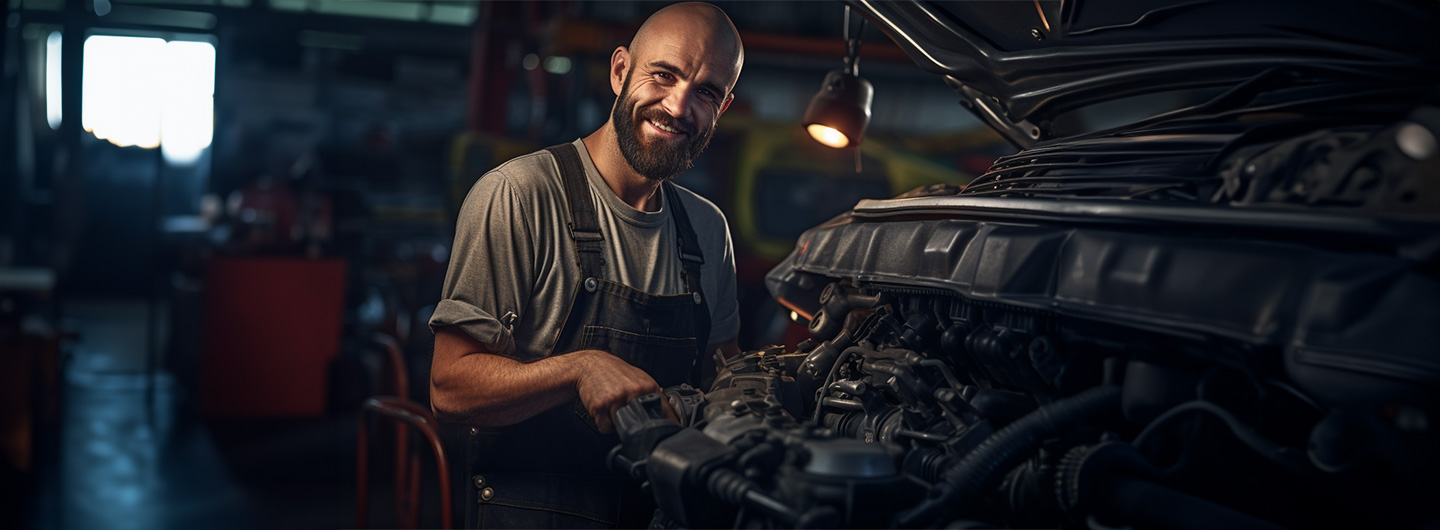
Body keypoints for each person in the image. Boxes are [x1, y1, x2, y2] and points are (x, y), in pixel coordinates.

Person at [427, 3, 745, 528]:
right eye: (663, 74)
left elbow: (724, 374)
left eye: (706, 92)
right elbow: (449, 388)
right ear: (620, 71)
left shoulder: (708, 230)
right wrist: (580, 367)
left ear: (723, 107)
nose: (678, 105)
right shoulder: (518, 196)